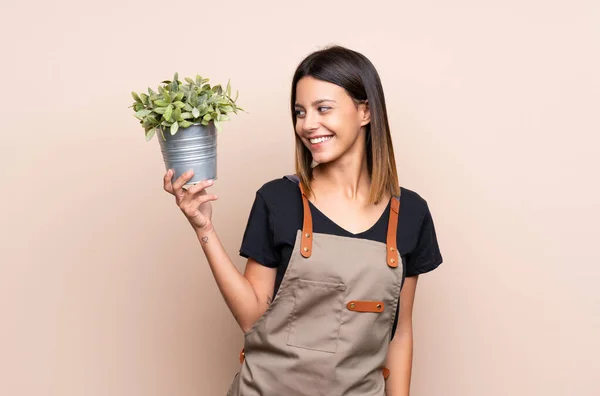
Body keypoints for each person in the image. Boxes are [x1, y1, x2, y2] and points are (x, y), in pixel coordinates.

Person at [162, 45, 443, 396]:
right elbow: (251, 318)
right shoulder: (277, 200)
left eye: (323, 108)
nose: (308, 125)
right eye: (300, 112)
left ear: (365, 111)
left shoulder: (411, 213)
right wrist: (204, 229)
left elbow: (399, 333)